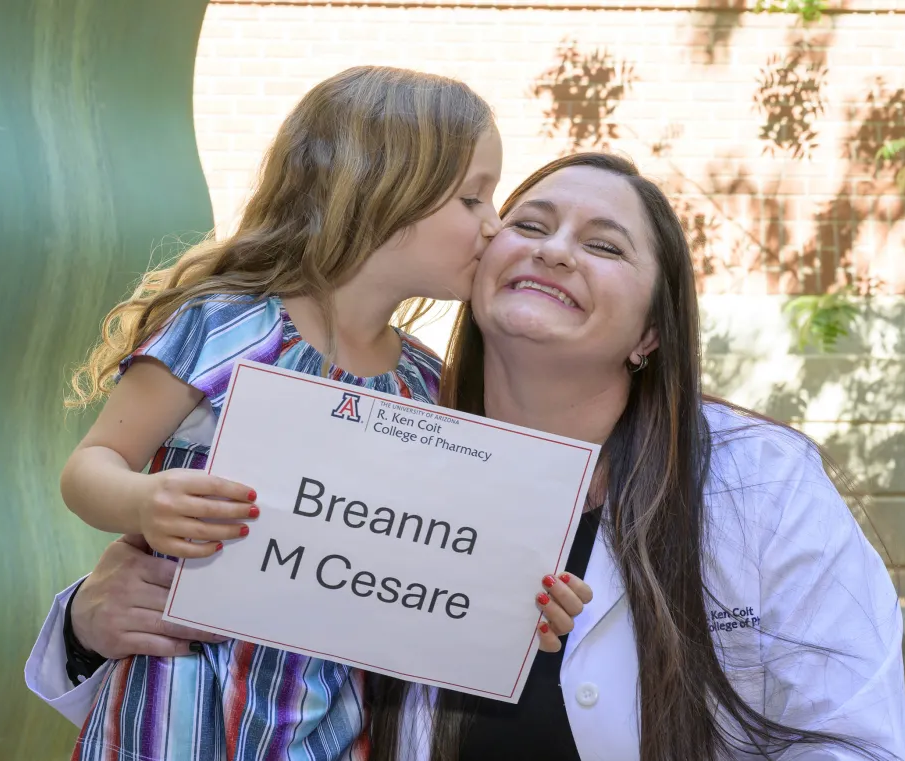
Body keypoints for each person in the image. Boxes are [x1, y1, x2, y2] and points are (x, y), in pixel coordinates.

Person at [29, 153, 905, 760]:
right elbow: (239, 668)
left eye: (604, 245)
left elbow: (854, 736)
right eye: (528, 224)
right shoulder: (370, 427)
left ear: (650, 335)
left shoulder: (761, 484)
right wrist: (89, 623)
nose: (555, 248)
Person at [46, 65, 591, 761]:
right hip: (175, 713)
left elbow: (427, 552)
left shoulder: (430, 385)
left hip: (327, 731)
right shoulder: (226, 325)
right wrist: (144, 500)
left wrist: (516, 600)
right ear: (381, 194)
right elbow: (90, 465)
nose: (494, 227)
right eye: (472, 199)